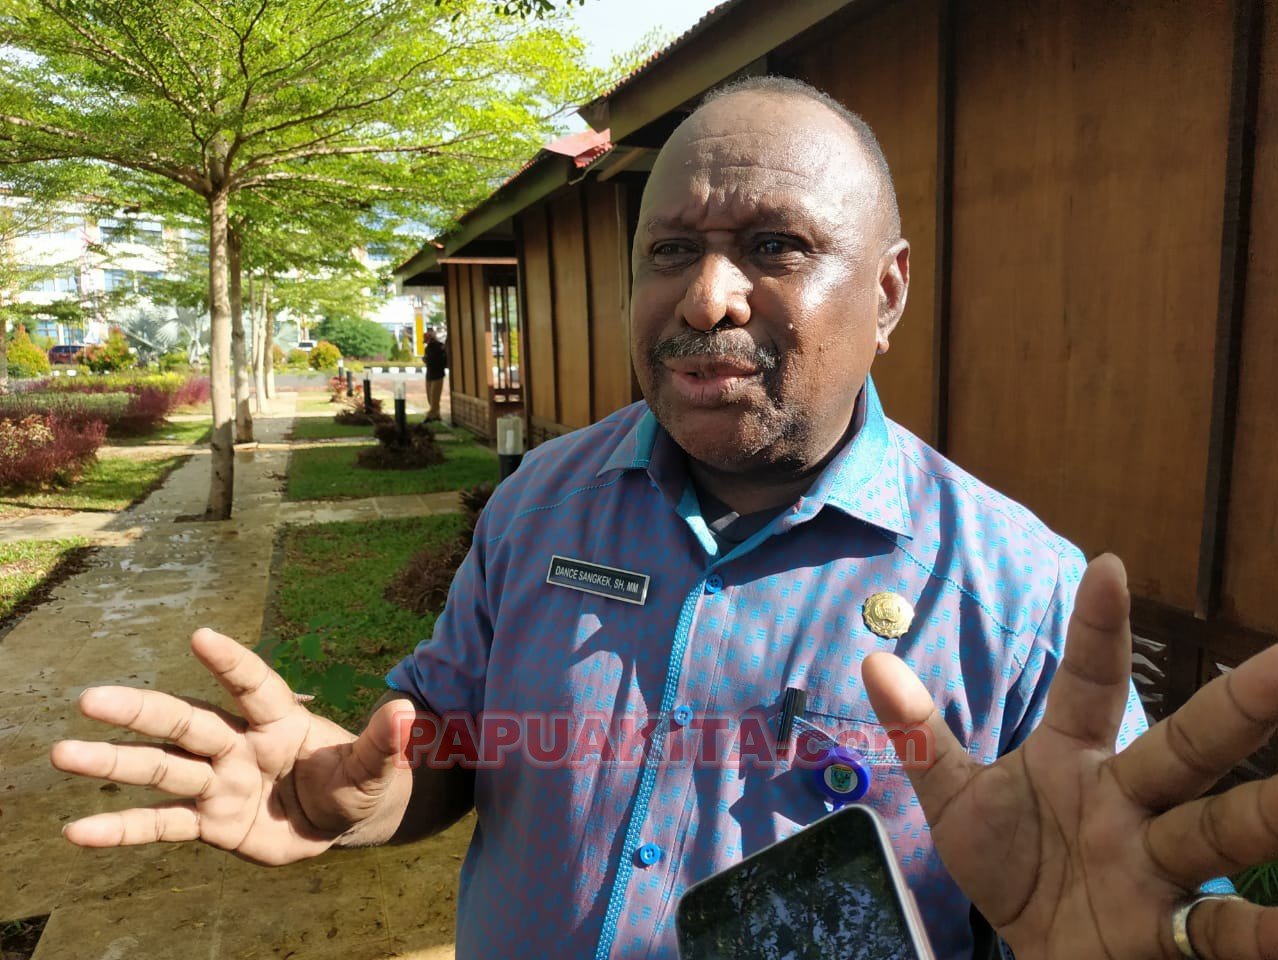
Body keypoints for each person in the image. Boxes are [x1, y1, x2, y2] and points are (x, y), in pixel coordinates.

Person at [50, 77, 1278, 960]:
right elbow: (451, 741)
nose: (706, 297)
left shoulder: (1021, 599)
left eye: (776, 246)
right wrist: (356, 800)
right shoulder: (539, 505)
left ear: (889, 292)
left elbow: (1122, 895)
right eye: (670, 250)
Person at [422, 326, 448, 421]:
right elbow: (428, 359)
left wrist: (428, 360)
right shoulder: (428, 348)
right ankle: (436, 415)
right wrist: (426, 360)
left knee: (434, 397)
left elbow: (443, 359)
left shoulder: (440, 347)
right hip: (429, 374)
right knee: (430, 397)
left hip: (437, 375)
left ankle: (431, 415)